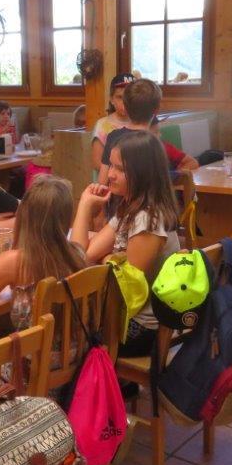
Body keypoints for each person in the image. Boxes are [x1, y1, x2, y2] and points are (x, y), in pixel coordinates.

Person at [71, 131, 179, 357]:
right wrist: (85, 205)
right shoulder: (131, 209)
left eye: (120, 169)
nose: (110, 174)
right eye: (111, 165)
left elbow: (125, 289)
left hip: (139, 328)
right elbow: (81, 257)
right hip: (124, 317)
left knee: (62, 330)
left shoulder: (148, 219)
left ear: (143, 173)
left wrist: (107, 260)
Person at [0, 175, 85, 316]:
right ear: (66, 220)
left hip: (27, 331)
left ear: (22, 214)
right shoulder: (77, 253)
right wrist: (1, 264)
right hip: (63, 330)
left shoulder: (14, 262)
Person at [99, 79, 197, 185]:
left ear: (125, 108)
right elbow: (192, 164)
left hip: (116, 194)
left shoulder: (113, 137)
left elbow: (102, 182)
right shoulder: (155, 143)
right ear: (157, 110)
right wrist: (175, 176)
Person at [91, 73, 134, 173]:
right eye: (120, 97)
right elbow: (97, 162)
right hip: (111, 177)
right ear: (111, 99)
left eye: (130, 97)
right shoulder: (103, 125)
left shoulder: (140, 121)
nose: (125, 102)